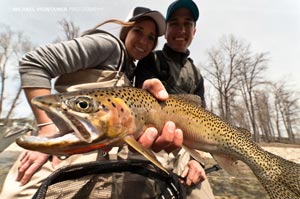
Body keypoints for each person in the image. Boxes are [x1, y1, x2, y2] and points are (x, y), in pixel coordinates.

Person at [0, 7, 185, 199]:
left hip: (88, 153)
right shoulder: (108, 45)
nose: (143, 41)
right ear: (125, 31)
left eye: (151, 37)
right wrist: (47, 131)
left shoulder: (130, 69)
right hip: (62, 142)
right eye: (138, 31)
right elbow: (33, 63)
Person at [136, 0, 215, 198]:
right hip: (152, 144)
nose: (181, 30)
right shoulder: (150, 60)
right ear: (166, 30)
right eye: (174, 24)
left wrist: (198, 161)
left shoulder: (196, 75)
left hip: (187, 149)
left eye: (187, 24)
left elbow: (204, 123)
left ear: (194, 30)